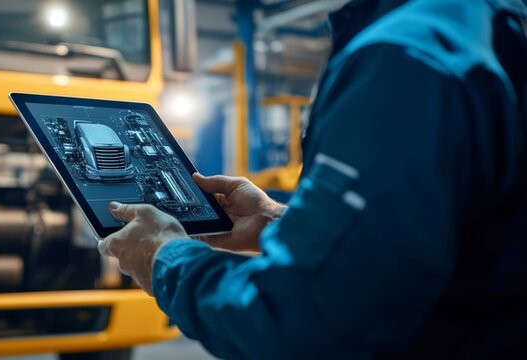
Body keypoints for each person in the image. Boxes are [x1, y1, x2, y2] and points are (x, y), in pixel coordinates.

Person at [98, 0, 527, 358]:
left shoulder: (404, 58)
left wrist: (163, 260)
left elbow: (303, 319)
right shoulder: (483, 28)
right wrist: (277, 222)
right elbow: (450, 236)